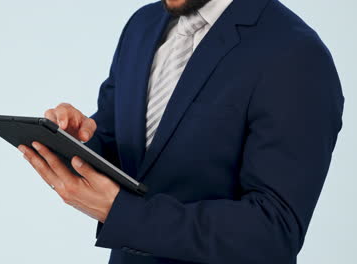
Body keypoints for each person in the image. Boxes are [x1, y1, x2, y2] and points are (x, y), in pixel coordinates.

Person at [17, 0, 344, 263]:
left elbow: (274, 232)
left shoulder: (296, 54)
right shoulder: (142, 25)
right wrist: (79, 142)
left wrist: (121, 214)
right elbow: (125, 146)